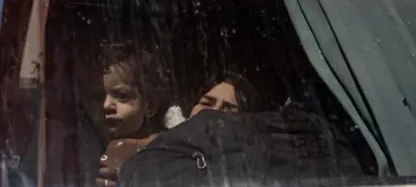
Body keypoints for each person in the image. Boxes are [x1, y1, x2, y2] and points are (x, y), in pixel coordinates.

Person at [117, 71, 364, 187]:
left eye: (229, 110)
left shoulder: (244, 168)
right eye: (206, 103)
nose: (211, 115)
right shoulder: (134, 147)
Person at [95, 43, 170, 187]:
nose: (106, 105)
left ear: (150, 105)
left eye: (122, 96)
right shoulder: (90, 145)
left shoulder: (165, 151)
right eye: (98, 96)